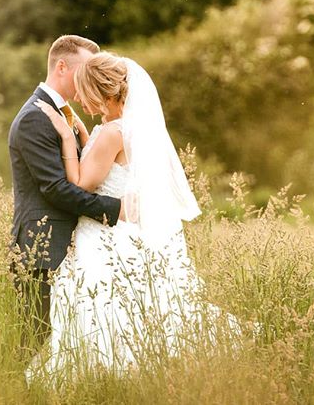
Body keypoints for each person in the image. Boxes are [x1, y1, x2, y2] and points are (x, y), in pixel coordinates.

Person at [26, 52, 238, 382]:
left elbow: (81, 182)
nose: (79, 98)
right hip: (123, 230)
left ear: (101, 91)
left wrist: (67, 137)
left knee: (99, 306)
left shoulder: (112, 133)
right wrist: (84, 134)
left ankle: (106, 375)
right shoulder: (126, 128)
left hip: (104, 235)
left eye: (84, 90)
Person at [8, 35, 122, 356]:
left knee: (65, 343)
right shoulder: (35, 117)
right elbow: (56, 189)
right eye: (86, 70)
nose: (91, 79)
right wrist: (116, 210)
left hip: (69, 249)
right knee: (36, 344)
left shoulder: (66, 115)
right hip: (42, 249)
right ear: (62, 66)